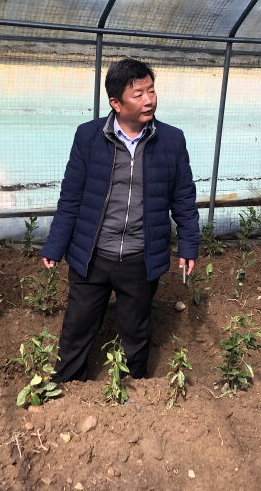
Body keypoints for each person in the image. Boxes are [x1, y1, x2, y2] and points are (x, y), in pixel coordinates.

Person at [41, 58, 200, 381]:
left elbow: (183, 197)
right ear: (116, 103)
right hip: (92, 254)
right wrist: (55, 245)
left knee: (135, 328)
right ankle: (66, 385)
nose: (149, 100)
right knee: (78, 325)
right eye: (138, 94)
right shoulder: (88, 136)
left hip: (140, 256)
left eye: (151, 90)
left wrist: (188, 245)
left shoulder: (171, 140)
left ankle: (135, 390)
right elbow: (71, 196)